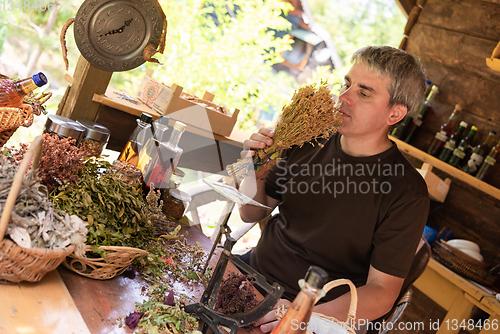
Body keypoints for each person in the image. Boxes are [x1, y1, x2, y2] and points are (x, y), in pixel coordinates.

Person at [238, 46, 430, 332]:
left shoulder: (406, 192)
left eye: (364, 93)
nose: (343, 98)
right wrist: (253, 172)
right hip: (250, 274)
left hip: (316, 314)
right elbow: (250, 212)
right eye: (346, 84)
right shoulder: (309, 138)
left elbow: (382, 293)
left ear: (394, 114)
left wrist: (302, 314)